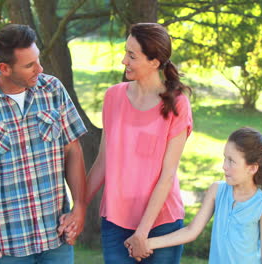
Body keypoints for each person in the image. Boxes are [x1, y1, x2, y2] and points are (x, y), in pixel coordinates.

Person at [0, 24, 87, 264]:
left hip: (57, 238)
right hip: (7, 246)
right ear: (5, 68)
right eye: (30, 65)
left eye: (38, 60)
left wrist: (80, 207)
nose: (39, 69)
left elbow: (72, 150)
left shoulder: (53, 90)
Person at [82, 23, 193, 263]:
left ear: (154, 62)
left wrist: (142, 233)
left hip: (162, 225)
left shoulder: (177, 104)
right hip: (115, 222)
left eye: (132, 56)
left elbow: (167, 174)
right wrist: (79, 208)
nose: (124, 61)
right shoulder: (113, 97)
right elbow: (103, 162)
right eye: (125, 52)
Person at [132, 127, 262, 264]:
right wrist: (146, 243)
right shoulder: (217, 191)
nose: (224, 166)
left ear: (252, 168)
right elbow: (191, 231)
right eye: (225, 158)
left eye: (231, 161)